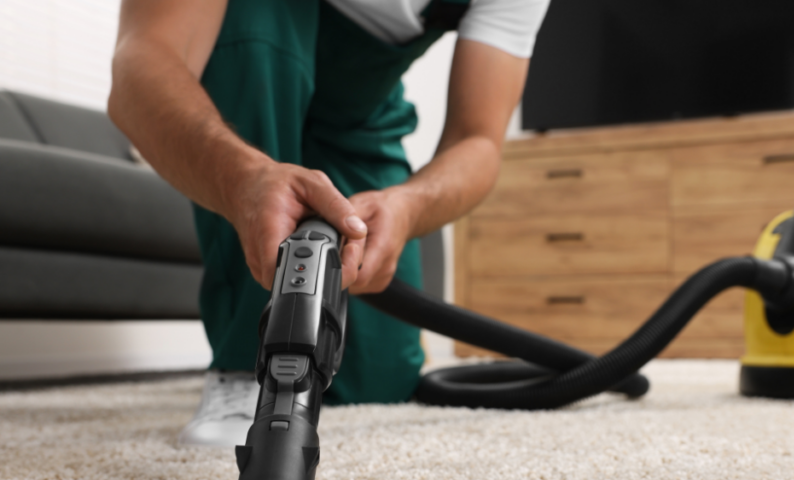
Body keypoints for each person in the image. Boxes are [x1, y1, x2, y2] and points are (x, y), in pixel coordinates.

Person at [109, 0, 550, 446]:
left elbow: (477, 140)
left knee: (381, 381)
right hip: (255, 71)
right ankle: (242, 367)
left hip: (359, 114)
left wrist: (408, 206)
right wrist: (243, 181)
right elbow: (141, 61)